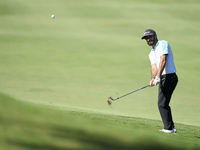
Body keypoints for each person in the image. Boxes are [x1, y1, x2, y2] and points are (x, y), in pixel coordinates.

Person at [141, 29, 178, 134]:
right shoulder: (151, 53)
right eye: (146, 39)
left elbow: (163, 60)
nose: (149, 40)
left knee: (162, 103)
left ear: (155, 35)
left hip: (169, 76)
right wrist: (153, 78)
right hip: (163, 77)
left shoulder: (163, 43)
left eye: (150, 37)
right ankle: (171, 127)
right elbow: (154, 66)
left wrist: (158, 77)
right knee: (163, 103)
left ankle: (169, 128)